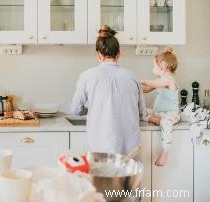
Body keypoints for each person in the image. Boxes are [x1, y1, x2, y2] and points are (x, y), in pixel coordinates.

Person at [71, 25, 146, 155]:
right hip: (130, 150)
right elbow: (142, 113)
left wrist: (93, 106)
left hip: (100, 147)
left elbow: (76, 110)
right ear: (119, 54)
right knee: (128, 176)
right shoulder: (132, 77)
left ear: (98, 55)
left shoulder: (87, 76)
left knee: (102, 175)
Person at [141, 47, 180, 166]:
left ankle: (165, 152)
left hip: (171, 114)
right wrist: (134, 87)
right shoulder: (160, 80)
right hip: (159, 113)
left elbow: (151, 84)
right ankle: (156, 120)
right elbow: (147, 89)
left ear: (162, 66)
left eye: (154, 66)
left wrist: (141, 80)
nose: (153, 68)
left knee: (166, 123)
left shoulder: (169, 80)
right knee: (141, 111)